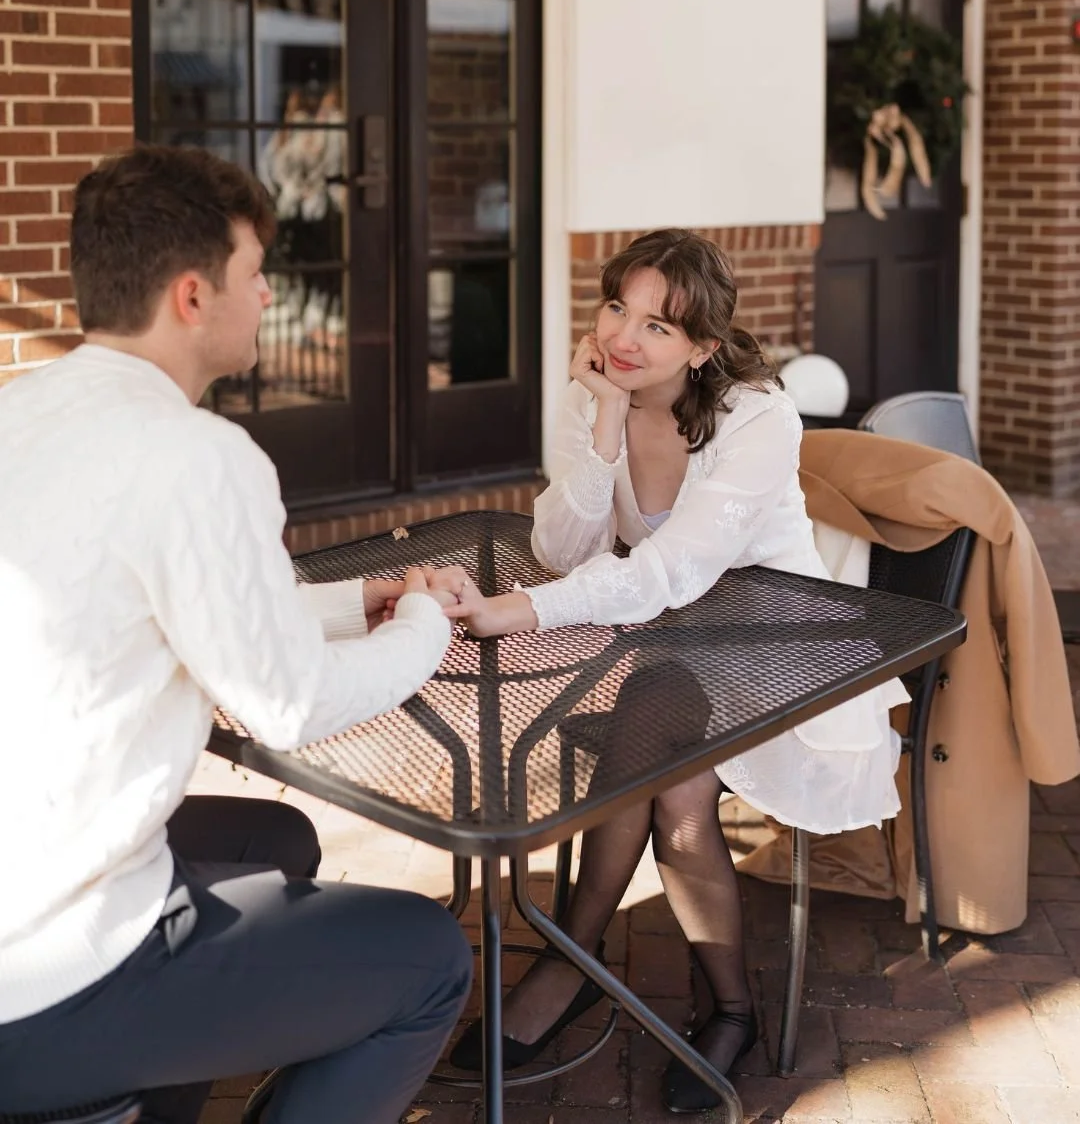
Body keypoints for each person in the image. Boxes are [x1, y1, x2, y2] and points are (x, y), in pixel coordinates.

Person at [0, 146, 473, 1124]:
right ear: (191, 296)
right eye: (256, 272)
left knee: (277, 838)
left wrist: (360, 602)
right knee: (431, 959)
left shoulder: (23, 410)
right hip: (45, 974)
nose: (267, 294)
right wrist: (426, 622)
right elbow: (288, 704)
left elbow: (157, 599)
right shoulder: (199, 455)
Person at [447, 229, 907, 1111]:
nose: (624, 337)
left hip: (773, 639)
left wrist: (523, 610)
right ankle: (707, 1001)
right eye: (618, 307)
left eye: (658, 327)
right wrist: (605, 425)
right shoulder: (594, 393)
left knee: (672, 783)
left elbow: (678, 569)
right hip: (670, 641)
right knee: (660, 750)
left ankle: (600, 971)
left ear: (702, 348)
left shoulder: (758, 415)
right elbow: (561, 549)